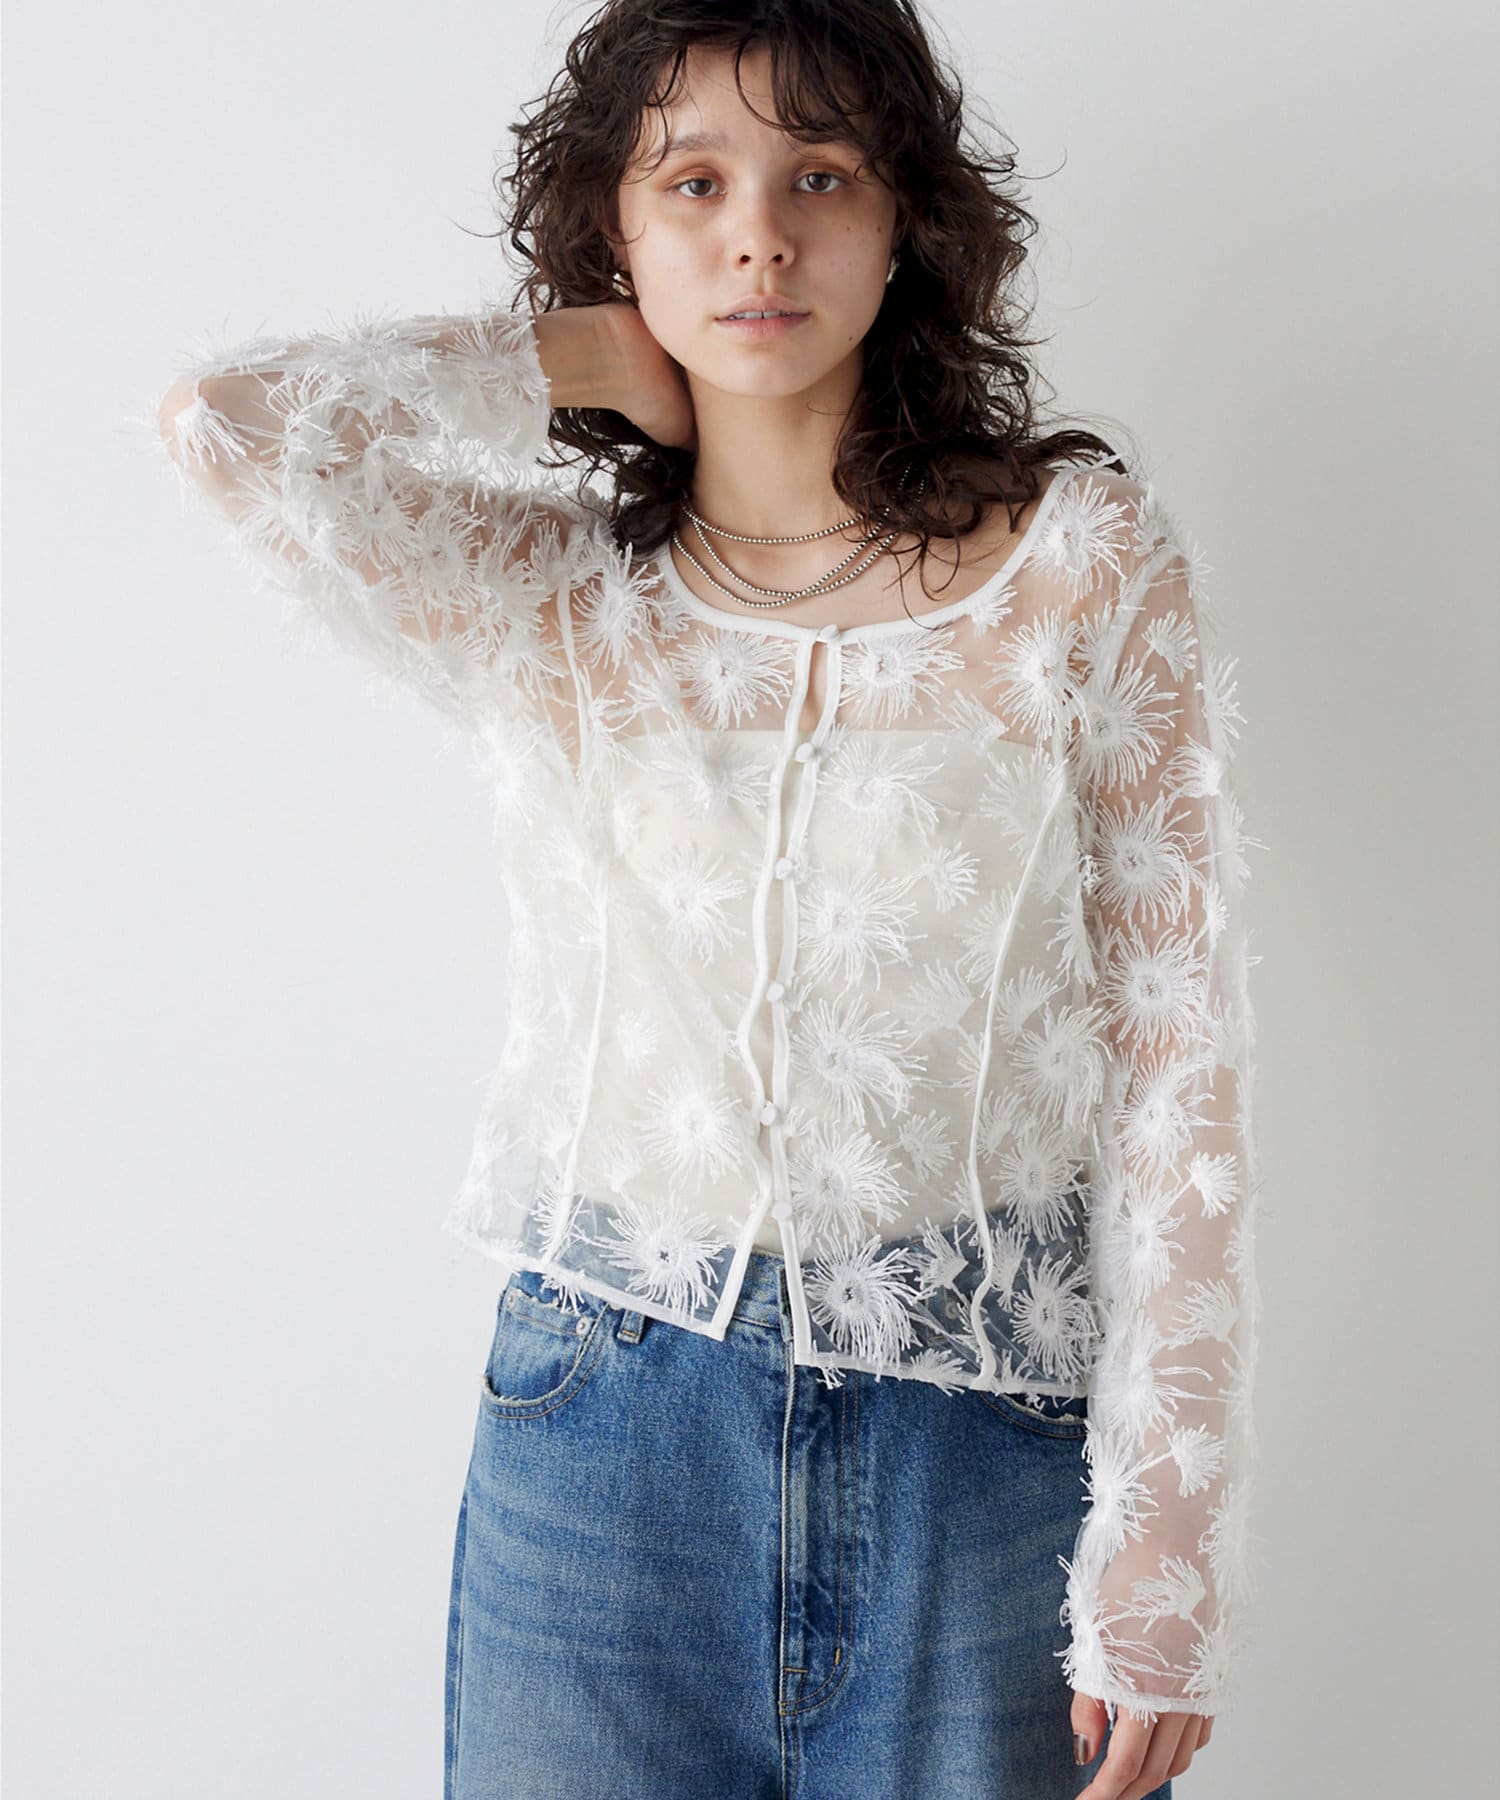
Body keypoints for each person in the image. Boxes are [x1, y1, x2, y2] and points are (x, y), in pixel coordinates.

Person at [151, 2, 1263, 1795]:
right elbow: (226, 424)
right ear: (617, 224)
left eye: (820, 177)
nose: (760, 236)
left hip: (978, 1445)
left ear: (904, 224)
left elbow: (1179, 1051)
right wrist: (585, 349)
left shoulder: (1079, 565)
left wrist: (1168, 1540)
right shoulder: (550, 601)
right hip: (604, 1425)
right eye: (694, 184)